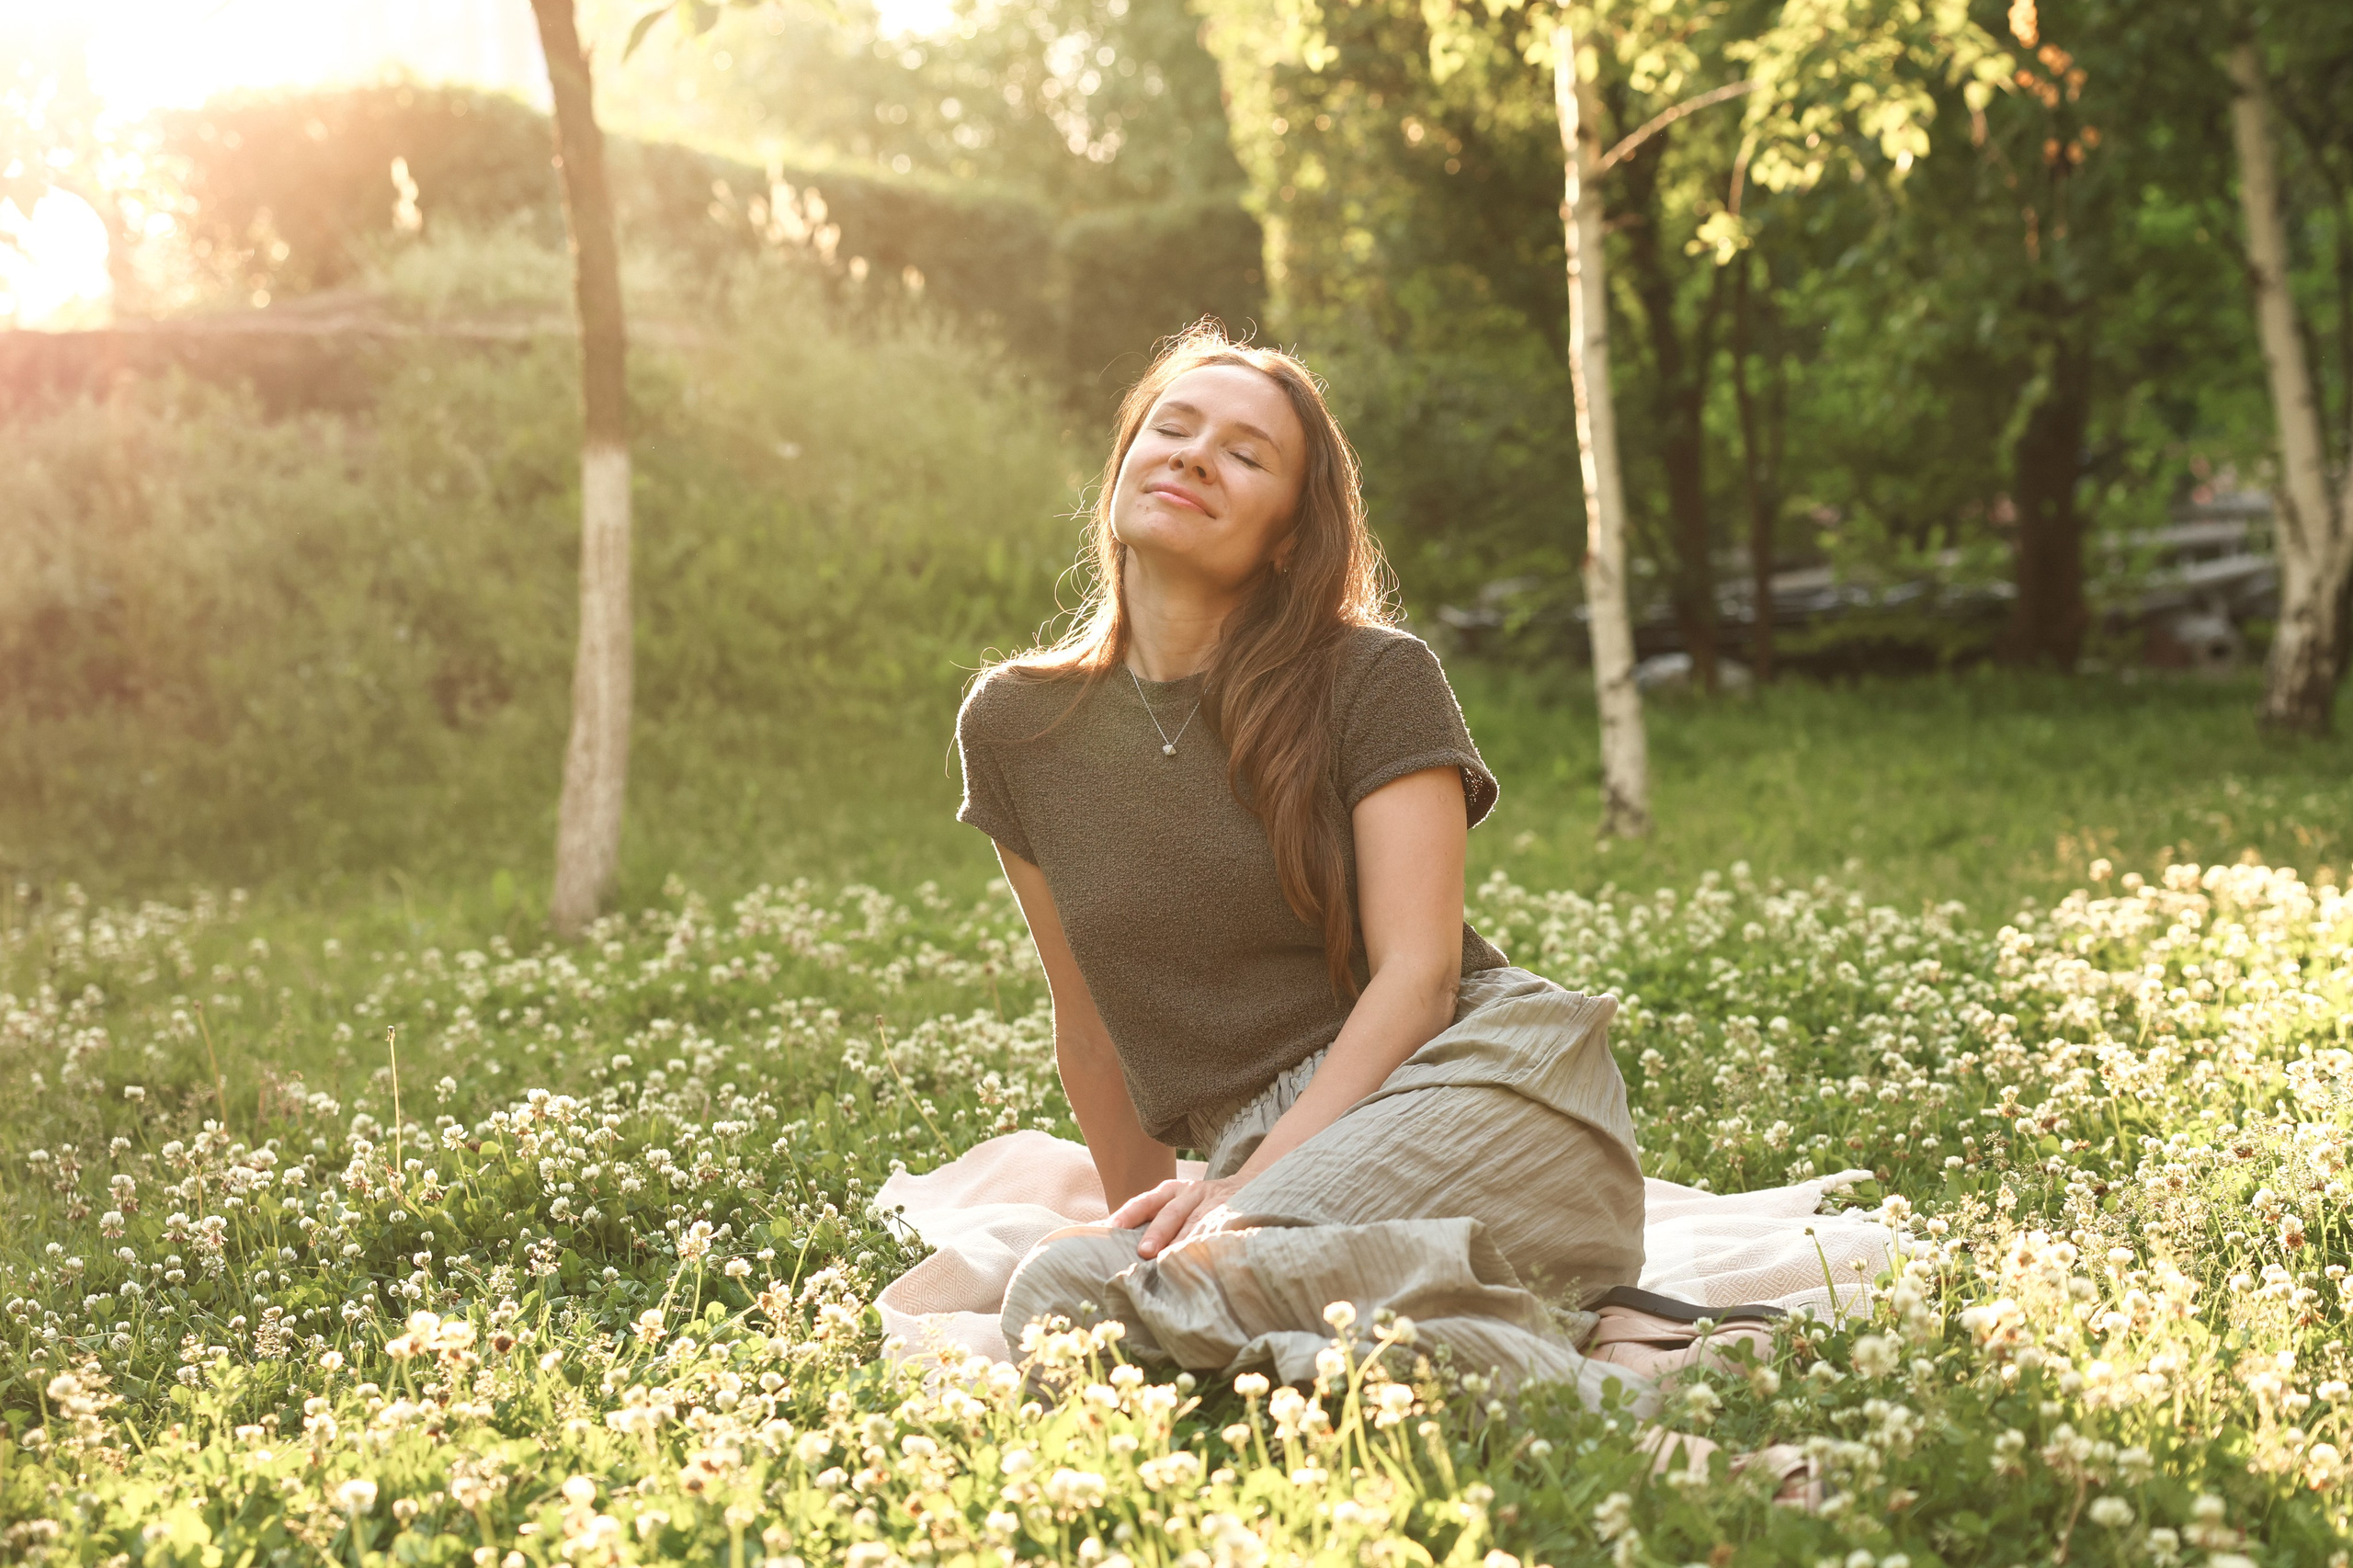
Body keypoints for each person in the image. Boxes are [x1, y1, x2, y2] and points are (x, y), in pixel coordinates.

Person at [950, 323, 1649, 1401]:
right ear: (1125, 463)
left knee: (1079, 1302)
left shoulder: (1374, 677)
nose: (1190, 454)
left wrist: (1240, 1196)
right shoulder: (1016, 725)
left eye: (1243, 452)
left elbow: (1417, 981)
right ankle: (1558, 1353)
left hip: (1473, 1089)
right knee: (1090, 1302)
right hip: (1275, 1163)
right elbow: (1088, 1028)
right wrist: (1150, 1227)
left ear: (1288, 535)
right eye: (1170, 428)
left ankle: (1605, 1395)